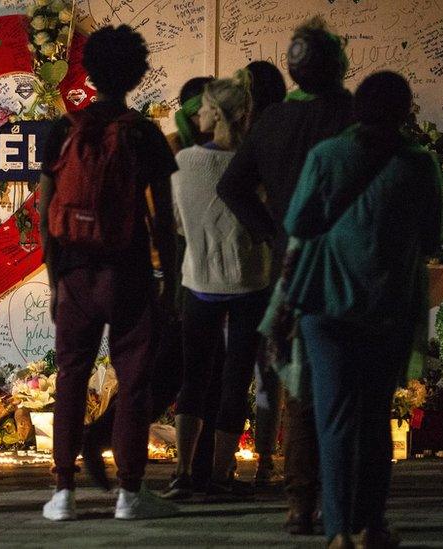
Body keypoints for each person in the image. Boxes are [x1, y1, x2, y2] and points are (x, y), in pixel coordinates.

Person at [285, 71, 442, 548]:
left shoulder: (326, 156)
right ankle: (370, 525)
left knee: (332, 418)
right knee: (374, 419)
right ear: (404, 110)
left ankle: (337, 533)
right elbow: (432, 240)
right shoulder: (420, 165)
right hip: (386, 306)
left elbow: (296, 222)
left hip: (325, 305)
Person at [216, 17, 354, 535]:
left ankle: (299, 503)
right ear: (339, 66)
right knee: (349, 390)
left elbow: (232, 188)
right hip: (348, 268)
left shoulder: (271, 123)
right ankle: (345, 503)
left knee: (300, 389)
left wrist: (271, 230)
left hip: (289, 267)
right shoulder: (354, 118)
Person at [39, 25, 178, 521]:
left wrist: (55, 280)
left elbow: (45, 213)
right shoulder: (143, 134)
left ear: (89, 72)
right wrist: (173, 283)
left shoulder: (63, 129)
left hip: (74, 273)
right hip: (130, 272)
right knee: (133, 380)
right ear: (138, 74)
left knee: (70, 377)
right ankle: (129, 493)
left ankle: (63, 493)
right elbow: (163, 219)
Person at [163, 73, 270, 501]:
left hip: (199, 280)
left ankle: (184, 471)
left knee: (194, 378)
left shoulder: (185, 163)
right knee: (236, 378)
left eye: (205, 106)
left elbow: (175, 223)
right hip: (249, 281)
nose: (198, 113)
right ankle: (223, 475)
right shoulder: (254, 163)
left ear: (217, 114)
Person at [242, 60, 287, 485]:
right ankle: (266, 462)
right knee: (271, 368)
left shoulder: (241, 137)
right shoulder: (288, 134)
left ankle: (214, 460)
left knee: (239, 366)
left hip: (236, 266)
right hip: (276, 262)